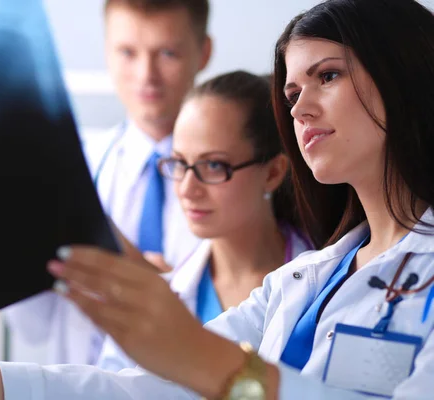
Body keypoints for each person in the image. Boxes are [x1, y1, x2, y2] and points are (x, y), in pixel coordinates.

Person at [0, 0, 434, 399]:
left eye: (326, 76)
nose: (298, 109)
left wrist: (207, 361)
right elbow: (121, 389)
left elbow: (196, 366)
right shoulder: (302, 282)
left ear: (404, 75)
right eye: (292, 88)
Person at [3, 0, 211, 365]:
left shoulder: (240, 179)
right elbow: (32, 329)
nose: (146, 75)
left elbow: (237, 324)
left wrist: (154, 283)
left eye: (167, 52)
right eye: (127, 52)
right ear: (106, 53)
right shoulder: (69, 170)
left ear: (203, 52)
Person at [96, 70, 313, 371]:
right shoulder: (168, 296)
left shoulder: (326, 286)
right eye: (179, 163)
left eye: (213, 165)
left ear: (273, 173)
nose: (187, 189)